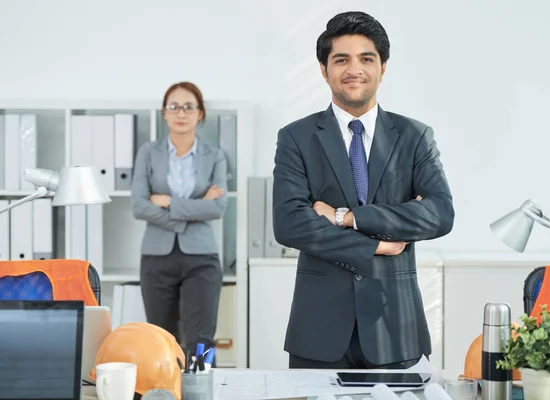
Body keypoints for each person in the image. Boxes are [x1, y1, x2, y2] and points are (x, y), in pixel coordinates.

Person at [272, 11, 455, 369]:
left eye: (366, 59)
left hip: (394, 326)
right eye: (341, 59)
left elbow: (440, 213)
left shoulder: (415, 136)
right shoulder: (296, 137)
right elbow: (290, 224)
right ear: (324, 70)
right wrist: (375, 244)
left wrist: (347, 217)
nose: (354, 69)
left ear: (382, 68)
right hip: (319, 330)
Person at [131, 81, 227, 356]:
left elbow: (217, 208)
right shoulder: (148, 153)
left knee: (201, 342)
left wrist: (169, 202)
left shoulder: (215, 156)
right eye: (174, 107)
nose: (181, 113)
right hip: (156, 256)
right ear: (164, 113)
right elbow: (138, 206)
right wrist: (193, 210)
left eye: (188, 107)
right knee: (160, 341)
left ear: (200, 113)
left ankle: (201, 394)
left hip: (202, 258)